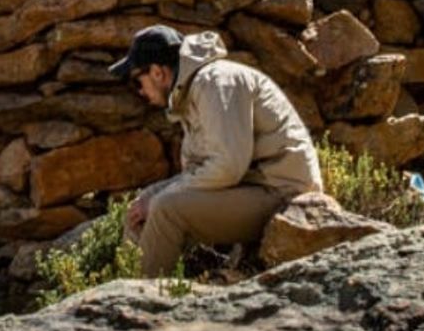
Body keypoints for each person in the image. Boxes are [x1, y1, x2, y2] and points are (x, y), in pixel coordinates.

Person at [113, 25, 323, 278]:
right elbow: (204, 171)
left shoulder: (215, 82)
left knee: (166, 208)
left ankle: (139, 303)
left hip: (283, 194)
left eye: (137, 81)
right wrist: (150, 196)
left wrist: (160, 198)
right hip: (253, 187)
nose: (139, 92)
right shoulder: (192, 93)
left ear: (158, 72)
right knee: (143, 206)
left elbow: (227, 166)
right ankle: (122, 291)